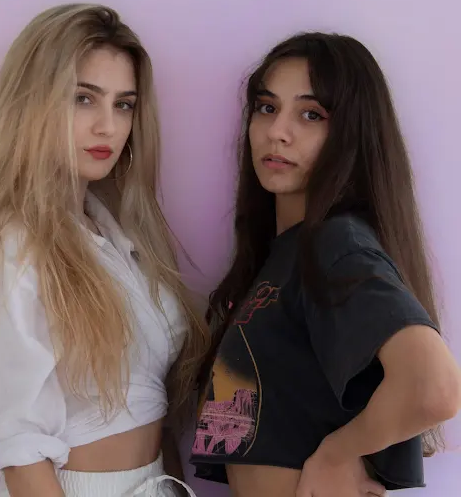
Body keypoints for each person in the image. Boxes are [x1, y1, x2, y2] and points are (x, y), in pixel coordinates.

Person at [0, 4, 208, 497]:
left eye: (123, 104)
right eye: (83, 99)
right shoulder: (9, 245)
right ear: (33, 103)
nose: (108, 126)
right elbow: (22, 456)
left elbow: (153, 410)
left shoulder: (120, 236)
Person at [189, 32, 461, 497]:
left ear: (351, 133)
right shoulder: (283, 254)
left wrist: (337, 454)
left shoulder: (334, 244)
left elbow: (434, 388)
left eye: (311, 114)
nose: (278, 131)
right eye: (267, 107)